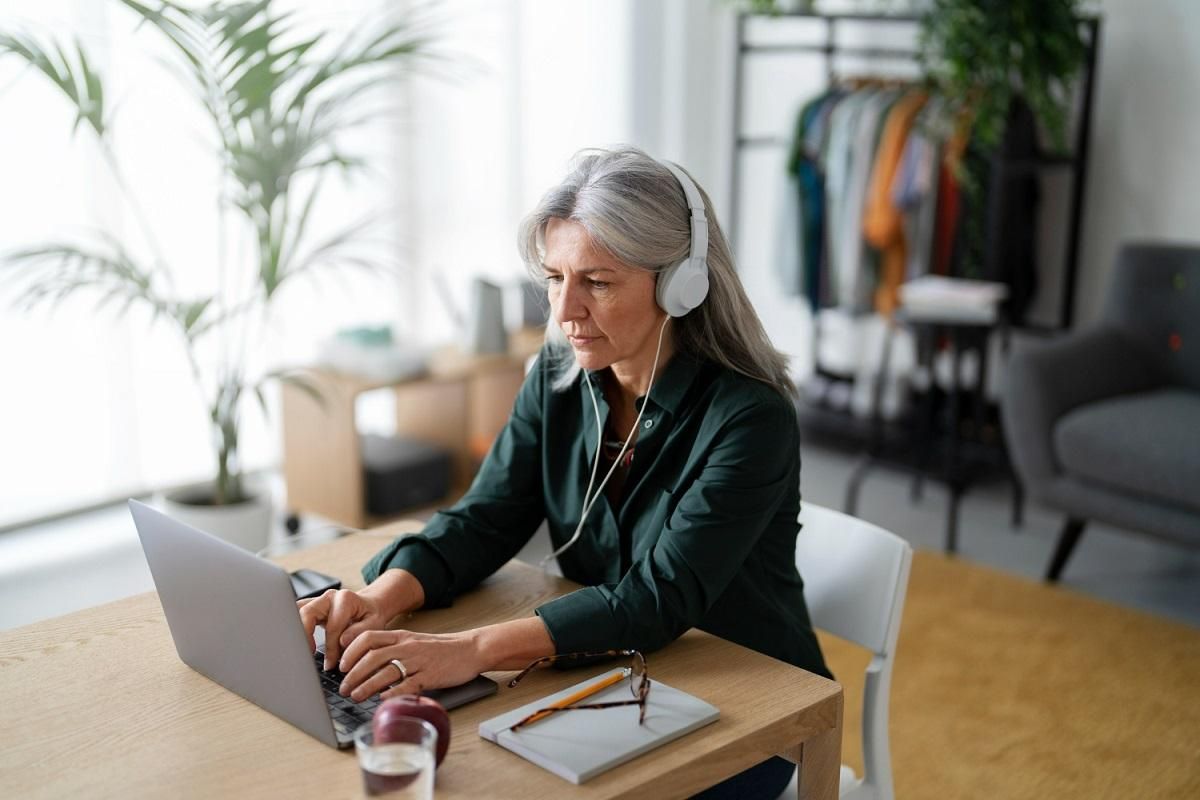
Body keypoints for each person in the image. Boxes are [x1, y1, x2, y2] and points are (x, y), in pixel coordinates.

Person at [298, 146, 829, 798]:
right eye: (554, 278)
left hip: (750, 700)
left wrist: (469, 651)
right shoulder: (556, 382)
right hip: (613, 674)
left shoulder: (750, 419)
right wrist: (384, 598)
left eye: (597, 282)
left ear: (679, 284)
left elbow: (653, 602)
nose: (564, 311)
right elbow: (486, 516)